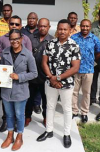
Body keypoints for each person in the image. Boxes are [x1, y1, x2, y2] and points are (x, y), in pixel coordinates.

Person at [37, 19, 81, 148]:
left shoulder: (74, 46)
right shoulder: (50, 44)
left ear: (69, 31)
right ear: (57, 29)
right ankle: (49, 130)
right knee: (50, 106)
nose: (62, 31)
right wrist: (51, 78)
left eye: (65, 29)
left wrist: (58, 78)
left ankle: (66, 134)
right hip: (50, 82)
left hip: (66, 84)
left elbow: (75, 67)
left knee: (67, 109)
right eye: (60, 29)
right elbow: (44, 62)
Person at [0, 15, 33, 132]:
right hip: (6, 83)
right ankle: (8, 128)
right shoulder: (3, 44)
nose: (14, 41)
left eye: (17, 24)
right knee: (8, 110)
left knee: (19, 112)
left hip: (20, 85)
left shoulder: (27, 46)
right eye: (12, 24)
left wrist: (19, 76)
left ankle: (18, 132)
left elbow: (32, 70)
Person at [0, 29, 38, 151]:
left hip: (20, 91)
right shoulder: (5, 52)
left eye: (17, 39)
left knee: (19, 115)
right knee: (9, 114)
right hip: (6, 90)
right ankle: (10, 135)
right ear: (9, 40)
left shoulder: (27, 55)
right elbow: (2, 68)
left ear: (21, 39)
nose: (14, 41)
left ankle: (19, 137)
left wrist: (19, 77)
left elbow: (34, 73)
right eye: (12, 39)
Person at [70, 19, 100, 123]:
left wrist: (92, 60)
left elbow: (99, 52)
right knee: (74, 92)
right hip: (75, 70)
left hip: (88, 70)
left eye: (87, 26)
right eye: (83, 26)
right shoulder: (73, 38)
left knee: (86, 93)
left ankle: (84, 112)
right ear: (80, 26)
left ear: (90, 27)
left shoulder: (94, 39)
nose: (85, 28)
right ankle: (74, 110)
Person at [25, 18, 53, 127]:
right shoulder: (30, 38)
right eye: (40, 26)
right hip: (31, 74)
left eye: (45, 26)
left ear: (49, 27)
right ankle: (28, 116)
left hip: (45, 75)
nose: (42, 28)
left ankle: (46, 118)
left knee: (46, 100)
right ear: (37, 26)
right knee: (29, 98)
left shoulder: (52, 40)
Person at [21, 12, 41, 114]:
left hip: (37, 61)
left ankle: (36, 104)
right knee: (27, 84)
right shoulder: (22, 31)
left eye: (33, 18)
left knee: (37, 84)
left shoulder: (39, 31)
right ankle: (27, 103)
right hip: (24, 61)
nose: (31, 20)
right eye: (30, 18)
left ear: (37, 20)